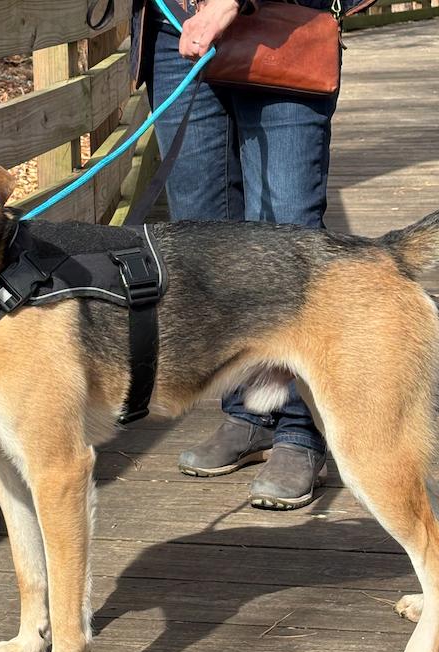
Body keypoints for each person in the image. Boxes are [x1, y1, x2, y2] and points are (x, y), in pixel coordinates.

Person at [131, 0, 340, 509]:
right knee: (204, 245)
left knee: (289, 242)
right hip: (173, 28)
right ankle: (247, 413)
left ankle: (301, 429)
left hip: (284, 20)